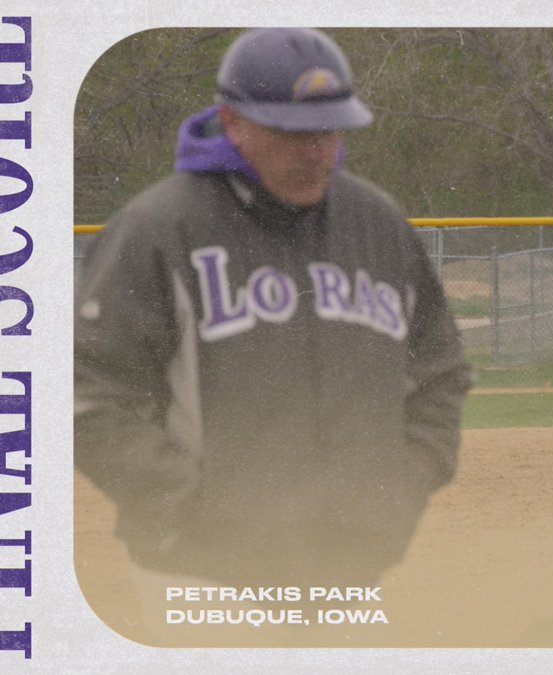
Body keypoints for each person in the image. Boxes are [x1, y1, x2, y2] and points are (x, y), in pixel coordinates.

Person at [74, 28, 473, 643]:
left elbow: (438, 371)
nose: (318, 151)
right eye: (295, 133)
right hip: (200, 570)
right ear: (234, 122)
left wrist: (396, 489)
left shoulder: (377, 226)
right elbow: (88, 393)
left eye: (330, 130)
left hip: (345, 562)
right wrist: (191, 503)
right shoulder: (157, 231)